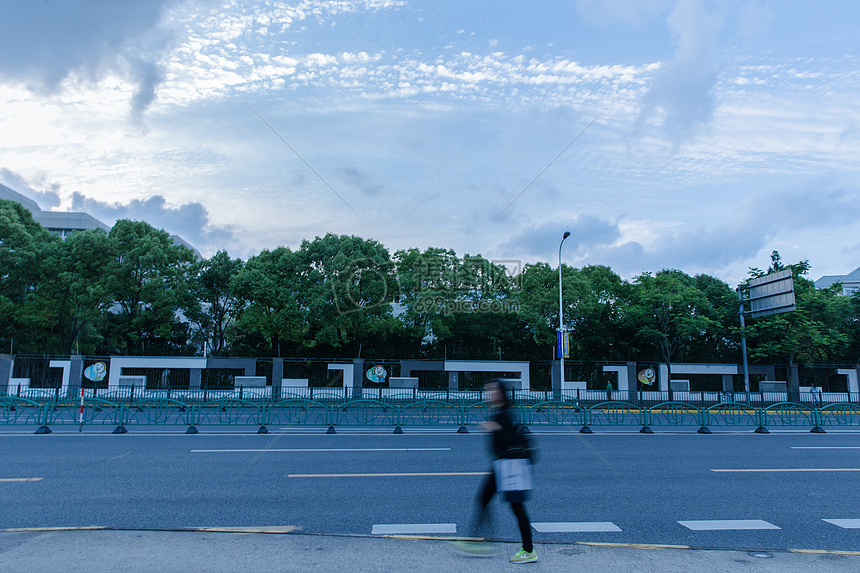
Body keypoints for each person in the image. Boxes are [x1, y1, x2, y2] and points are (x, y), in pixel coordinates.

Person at [454, 379, 537, 563]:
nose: (488, 393)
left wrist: (496, 428)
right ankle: (480, 542)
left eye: (491, 390)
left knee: (516, 507)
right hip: (502, 465)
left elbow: (510, 439)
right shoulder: (500, 413)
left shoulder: (504, 415)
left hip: (511, 467)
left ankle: (528, 550)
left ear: (500, 393)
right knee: (484, 499)